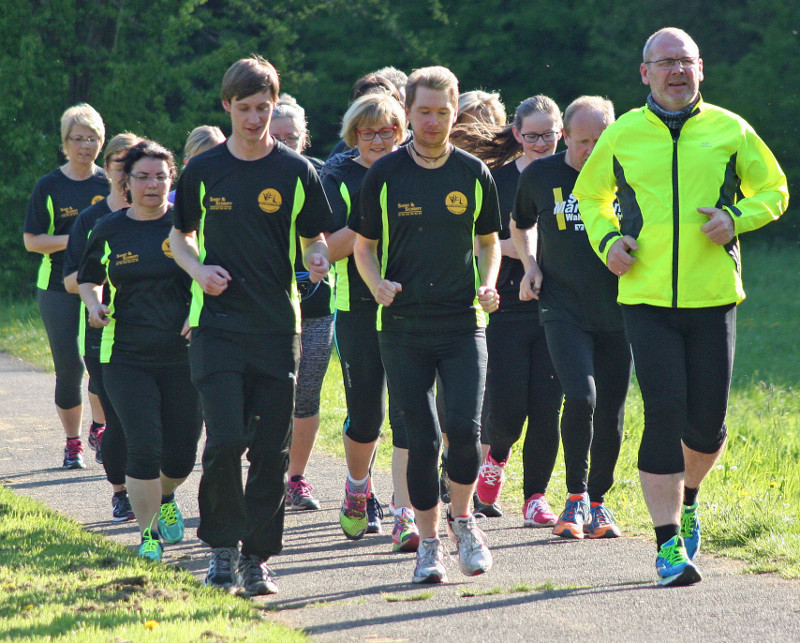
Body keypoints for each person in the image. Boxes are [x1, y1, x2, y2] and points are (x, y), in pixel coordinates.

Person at [574, 27, 788, 586]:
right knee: (664, 411)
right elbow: (589, 198)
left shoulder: (729, 129)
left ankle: (690, 498)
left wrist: (735, 218)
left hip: (713, 297)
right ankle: (668, 544)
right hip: (644, 298)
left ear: (701, 69)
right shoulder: (621, 134)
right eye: (664, 62)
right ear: (644, 72)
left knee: (708, 425)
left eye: (685, 61)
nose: (676, 71)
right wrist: (607, 241)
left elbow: (776, 190)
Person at [170, 55, 331, 595]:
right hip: (215, 326)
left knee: (269, 449)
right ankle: (220, 547)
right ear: (227, 106)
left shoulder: (295, 171)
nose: (256, 118)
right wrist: (197, 268)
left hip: (276, 328)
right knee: (224, 441)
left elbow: (315, 238)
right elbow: (179, 236)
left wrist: (317, 258)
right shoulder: (202, 170)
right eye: (245, 108)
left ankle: (257, 557)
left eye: (264, 107)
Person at [353, 66, 501, 584]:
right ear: (408, 113)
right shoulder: (386, 174)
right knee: (421, 438)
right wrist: (376, 285)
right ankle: (429, 545)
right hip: (403, 326)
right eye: (423, 112)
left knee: (463, 429)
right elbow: (364, 249)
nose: (433, 121)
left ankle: (464, 523)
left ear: (454, 112)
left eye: (443, 112)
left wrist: (489, 282)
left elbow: (489, 242)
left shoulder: (473, 173)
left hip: (464, 323)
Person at [511, 96, 632, 540]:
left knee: (612, 410)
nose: (593, 150)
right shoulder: (542, 176)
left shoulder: (631, 176)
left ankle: (599, 502)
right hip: (562, 308)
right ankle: (575, 498)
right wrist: (530, 265)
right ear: (565, 137)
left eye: (602, 141)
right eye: (583, 141)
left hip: (623, 308)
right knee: (581, 397)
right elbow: (519, 223)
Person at [78, 139, 203, 562]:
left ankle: (166, 496)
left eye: (160, 176)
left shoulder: (190, 226)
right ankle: (148, 536)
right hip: (125, 356)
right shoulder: (110, 228)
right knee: (144, 444)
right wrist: (95, 303)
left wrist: (198, 309)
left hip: (185, 355)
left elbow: (214, 274)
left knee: (182, 452)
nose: (153, 184)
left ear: (172, 180)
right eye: (143, 177)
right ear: (125, 182)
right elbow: (88, 277)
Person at [323, 92, 417, 549]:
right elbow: (326, 247)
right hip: (356, 307)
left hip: (412, 305)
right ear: (352, 135)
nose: (379, 140)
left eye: (388, 131)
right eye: (369, 132)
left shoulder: (416, 170)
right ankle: (359, 487)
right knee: (367, 416)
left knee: (409, 412)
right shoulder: (337, 174)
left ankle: (406, 511)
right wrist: (372, 223)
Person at [468, 96, 566, 526]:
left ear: (561, 131)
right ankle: (496, 455)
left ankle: (535, 498)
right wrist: (527, 256)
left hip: (560, 307)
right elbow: (475, 239)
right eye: (532, 136)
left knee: (547, 407)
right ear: (515, 134)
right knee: (506, 412)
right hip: (506, 306)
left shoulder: (577, 178)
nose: (541, 143)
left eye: (549, 135)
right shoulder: (496, 180)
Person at [23, 103, 109, 470]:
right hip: (57, 285)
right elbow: (32, 241)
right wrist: (74, 239)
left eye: (92, 139)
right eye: (78, 139)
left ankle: (101, 430)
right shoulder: (49, 185)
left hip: (99, 284)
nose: (85, 146)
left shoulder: (109, 183)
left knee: (100, 363)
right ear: (65, 143)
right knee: (69, 367)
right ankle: (72, 443)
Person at [64, 131, 141, 521]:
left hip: (155, 332)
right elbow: (69, 279)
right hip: (103, 334)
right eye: (120, 164)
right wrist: (98, 293)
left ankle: (159, 492)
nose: (127, 173)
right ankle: (121, 492)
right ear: (108, 169)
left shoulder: (168, 217)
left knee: (151, 419)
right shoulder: (91, 220)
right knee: (116, 419)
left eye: (135, 165)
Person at [270, 96, 333, 511]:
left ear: (304, 137)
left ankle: (296, 478)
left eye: (291, 136)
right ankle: (264, 474)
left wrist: (321, 257)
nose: (284, 144)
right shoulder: (248, 175)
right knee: (267, 398)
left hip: (316, 304)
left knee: (306, 396)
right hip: (264, 307)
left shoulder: (323, 175)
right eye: (277, 137)